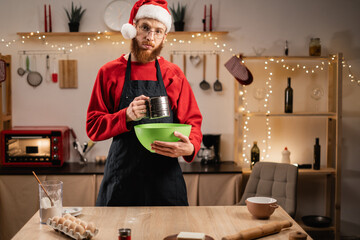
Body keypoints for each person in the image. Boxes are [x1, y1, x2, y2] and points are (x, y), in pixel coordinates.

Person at [86, 0, 202, 206]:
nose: (150, 37)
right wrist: (126, 116)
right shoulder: (109, 72)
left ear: (165, 37)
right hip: (122, 179)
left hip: (165, 181)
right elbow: (93, 127)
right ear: (133, 28)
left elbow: (192, 122)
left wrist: (191, 147)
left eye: (158, 31)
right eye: (145, 28)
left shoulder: (173, 74)